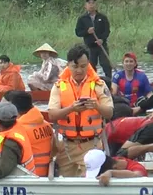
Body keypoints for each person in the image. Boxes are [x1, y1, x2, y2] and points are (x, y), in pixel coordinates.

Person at [48, 45, 114, 177]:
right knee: (64, 182)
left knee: (90, 182)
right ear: (68, 65)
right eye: (75, 66)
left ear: (88, 64)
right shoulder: (58, 86)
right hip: (66, 146)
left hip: (92, 144)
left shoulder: (99, 85)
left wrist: (96, 106)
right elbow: (52, 115)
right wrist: (71, 108)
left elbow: (109, 113)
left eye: (83, 66)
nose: (79, 70)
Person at [11, 91, 58, 177]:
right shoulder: (47, 125)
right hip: (46, 174)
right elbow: (55, 150)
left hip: (29, 175)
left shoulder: (19, 130)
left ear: (14, 109)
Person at [75, 0, 112, 81]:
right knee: (91, 66)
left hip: (101, 45)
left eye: (93, 3)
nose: (91, 5)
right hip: (89, 46)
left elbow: (107, 30)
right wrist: (87, 31)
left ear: (96, 5)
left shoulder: (102, 17)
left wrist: (102, 39)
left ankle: (110, 82)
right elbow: (78, 32)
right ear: (85, 6)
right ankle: (92, 82)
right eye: (89, 3)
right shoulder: (82, 18)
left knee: (105, 64)